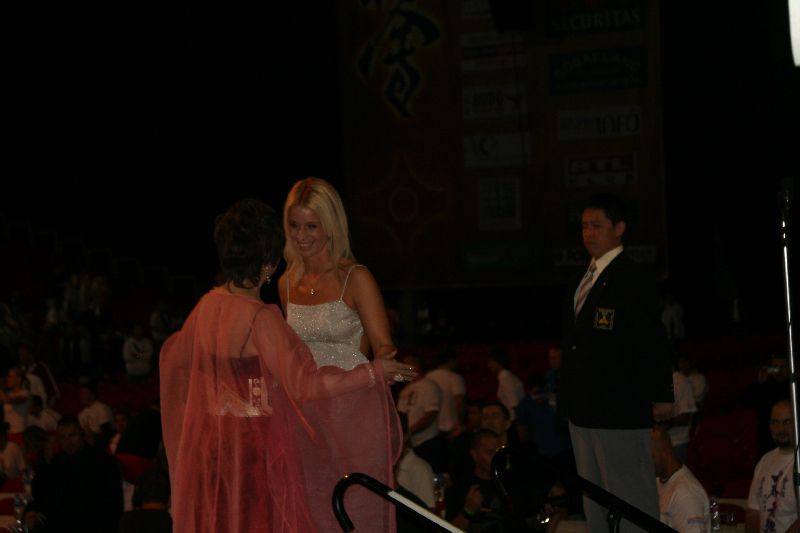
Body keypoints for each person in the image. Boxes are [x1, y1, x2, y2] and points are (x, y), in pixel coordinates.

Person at [159, 198, 415, 533]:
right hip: (257, 451)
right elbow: (305, 386)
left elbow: (174, 358)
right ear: (268, 265)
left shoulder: (206, 307)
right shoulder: (261, 319)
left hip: (216, 450)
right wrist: (373, 372)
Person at [278, 177, 404, 532]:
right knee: (313, 508)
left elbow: (382, 344)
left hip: (353, 413)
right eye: (294, 225)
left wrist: (385, 363)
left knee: (355, 507)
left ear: (331, 225)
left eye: (311, 226)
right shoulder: (286, 283)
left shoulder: (355, 277)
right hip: (307, 415)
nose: (301, 236)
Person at [559, 193, 674, 533]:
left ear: (619, 228)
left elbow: (653, 338)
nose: (588, 233)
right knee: (593, 498)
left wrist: (661, 394)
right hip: (582, 408)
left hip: (620, 407)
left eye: (597, 225)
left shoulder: (633, 276)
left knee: (629, 496)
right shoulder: (582, 277)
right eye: (584, 226)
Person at [746, 399, 798, 533]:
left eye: (787, 422)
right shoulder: (765, 460)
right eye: (775, 422)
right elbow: (753, 512)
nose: (780, 429)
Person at [651, 426, 709, 533]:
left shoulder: (687, 494)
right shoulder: (657, 482)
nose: (646, 463)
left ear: (665, 452)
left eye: (651, 456)